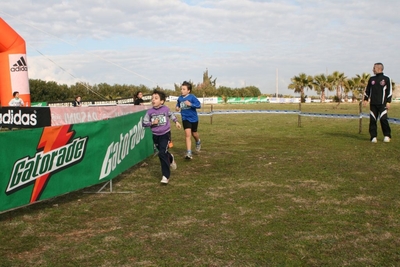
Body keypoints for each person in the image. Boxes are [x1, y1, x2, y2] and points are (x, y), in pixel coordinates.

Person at [143, 90, 181, 184]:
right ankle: (171, 158)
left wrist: (176, 122)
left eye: (156, 98)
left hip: (165, 134)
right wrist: (152, 123)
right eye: (152, 98)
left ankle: (165, 176)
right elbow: (144, 123)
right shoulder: (149, 112)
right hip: (156, 136)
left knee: (161, 154)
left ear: (162, 101)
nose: (153, 100)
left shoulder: (166, 109)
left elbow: (171, 115)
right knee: (163, 152)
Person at [363, 62, 392, 143]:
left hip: (382, 104)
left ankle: (387, 135)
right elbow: (367, 90)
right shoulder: (371, 79)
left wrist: (388, 102)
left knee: (383, 119)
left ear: (379, 68)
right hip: (373, 104)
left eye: (374, 68)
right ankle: (373, 136)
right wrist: (365, 99)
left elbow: (389, 91)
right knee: (372, 120)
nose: (373, 69)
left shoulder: (386, 79)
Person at [175, 81, 201, 159]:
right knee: (187, 135)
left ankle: (198, 141)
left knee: (194, 134)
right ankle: (189, 153)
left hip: (193, 118)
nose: (182, 90)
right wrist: (177, 107)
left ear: (188, 90)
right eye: (181, 89)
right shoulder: (180, 98)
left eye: (184, 89)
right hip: (185, 118)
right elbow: (178, 104)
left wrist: (191, 104)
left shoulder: (192, 97)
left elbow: (199, 105)